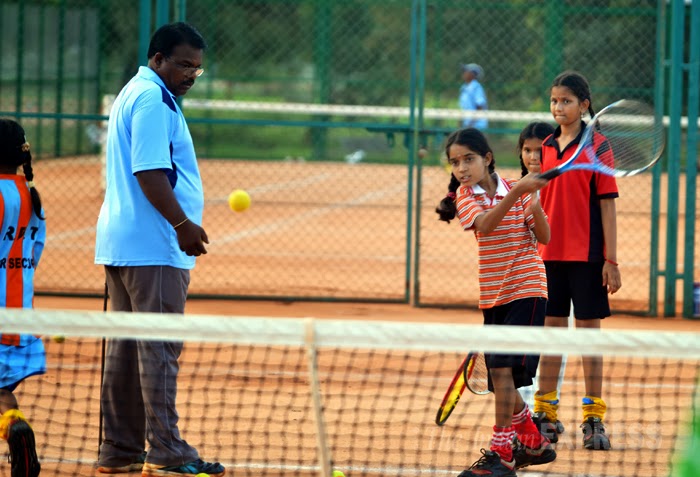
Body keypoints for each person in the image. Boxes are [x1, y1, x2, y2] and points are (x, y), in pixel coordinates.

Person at [94, 23, 224, 477]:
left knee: (128, 349)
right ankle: (167, 450)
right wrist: (183, 224)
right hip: (154, 244)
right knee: (158, 347)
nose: (191, 74)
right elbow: (149, 171)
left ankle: (120, 449)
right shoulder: (151, 99)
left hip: (128, 242)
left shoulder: (139, 92)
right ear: (157, 59)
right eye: (184, 64)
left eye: (197, 68)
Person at [435, 128, 554, 477]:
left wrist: (533, 203)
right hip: (493, 297)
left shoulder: (516, 188)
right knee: (502, 377)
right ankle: (533, 441)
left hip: (528, 288)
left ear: (487, 158)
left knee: (502, 372)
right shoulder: (465, 196)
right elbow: (486, 225)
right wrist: (518, 191)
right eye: (455, 162)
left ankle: (502, 454)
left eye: (468, 159)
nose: (461, 168)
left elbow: (543, 237)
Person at [532, 70, 621, 451]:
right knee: (551, 336)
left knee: (588, 337)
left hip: (587, 258)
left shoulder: (598, 146)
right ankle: (545, 413)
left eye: (566, 101)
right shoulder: (544, 147)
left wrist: (611, 260)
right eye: (554, 101)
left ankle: (593, 417)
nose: (558, 107)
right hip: (548, 258)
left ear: (584, 105)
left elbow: (608, 210)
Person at [0, 118, 46, 477]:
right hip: (20, 319)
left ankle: (15, 428)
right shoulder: (31, 198)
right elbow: (35, 252)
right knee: (1, 394)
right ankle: (17, 429)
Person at [458, 63, 488, 130]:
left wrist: (471, 124)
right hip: (467, 125)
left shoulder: (476, 87)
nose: (463, 73)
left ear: (472, 74)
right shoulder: (464, 88)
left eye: (466, 71)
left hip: (477, 126)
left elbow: (480, 106)